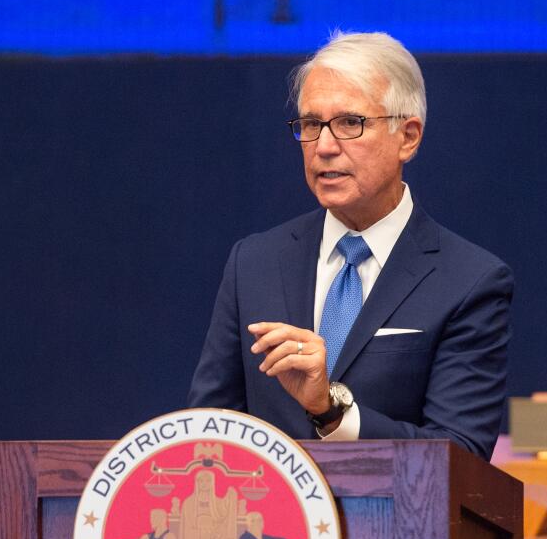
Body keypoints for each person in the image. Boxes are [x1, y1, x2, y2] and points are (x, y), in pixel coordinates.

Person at [188, 31, 512, 458]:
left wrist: (333, 412)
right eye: (309, 124)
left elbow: (460, 456)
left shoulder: (469, 281)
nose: (323, 147)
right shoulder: (254, 263)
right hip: (267, 523)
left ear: (408, 137)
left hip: (398, 524)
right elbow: (210, 432)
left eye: (349, 123)